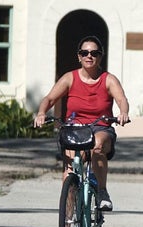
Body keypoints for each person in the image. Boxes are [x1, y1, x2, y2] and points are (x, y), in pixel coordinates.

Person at [33, 35, 130, 212]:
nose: (89, 56)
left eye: (94, 53)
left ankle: (102, 191)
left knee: (98, 146)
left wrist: (123, 112)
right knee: (69, 169)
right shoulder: (70, 78)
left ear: (100, 56)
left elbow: (121, 99)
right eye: (84, 53)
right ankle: (68, 226)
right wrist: (41, 113)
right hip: (75, 128)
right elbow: (49, 98)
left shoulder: (108, 79)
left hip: (101, 126)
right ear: (79, 56)